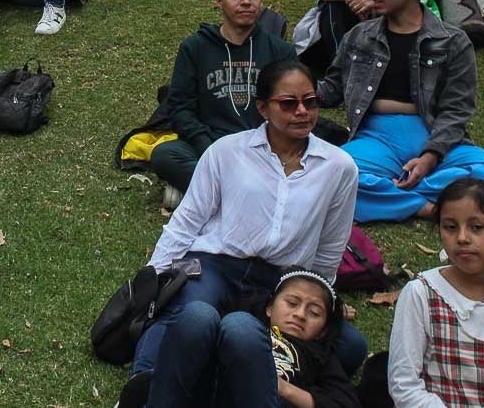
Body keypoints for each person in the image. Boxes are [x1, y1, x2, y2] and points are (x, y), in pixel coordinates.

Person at [127, 59, 363, 396]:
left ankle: (227, 364)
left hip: (279, 281)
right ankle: (144, 384)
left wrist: (323, 295)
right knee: (192, 313)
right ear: (263, 108)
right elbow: (187, 219)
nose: (302, 111)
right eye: (288, 103)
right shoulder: (226, 152)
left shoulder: (339, 168)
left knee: (350, 346)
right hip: (214, 265)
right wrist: (156, 274)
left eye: (311, 102)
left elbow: (331, 243)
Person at [318, 0, 484, 222]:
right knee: (328, 177)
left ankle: (397, 192)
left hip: (436, 136)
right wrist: (299, 89)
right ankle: (434, 203)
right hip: (376, 136)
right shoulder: (359, 36)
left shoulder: (452, 41)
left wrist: (430, 156)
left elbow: (457, 109)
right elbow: (332, 88)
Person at [150, 0, 297, 202]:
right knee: (165, 155)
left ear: (261, 0)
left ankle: (208, 193)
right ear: (219, 1)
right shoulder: (194, 47)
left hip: (265, 147)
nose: (246, 1)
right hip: (210, 144)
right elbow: (180, 107)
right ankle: (251, 194)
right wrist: (209, 148)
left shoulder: (280, 51)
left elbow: (291, 107)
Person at [127, 268, 359, 408]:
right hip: (203, 392)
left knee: (241, 328)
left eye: (314, 312)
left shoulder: (318, 354)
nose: (300, 314)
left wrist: (283, 388)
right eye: (292, 303)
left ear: (323, 329)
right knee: (200, 315)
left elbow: (345, 403)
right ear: (270, 307)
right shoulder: (239, 322)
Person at [387, 178, 484, 406]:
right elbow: (404, 385)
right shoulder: (422, 294)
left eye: (477, 228)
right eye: (451, 227)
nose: (462, 238)